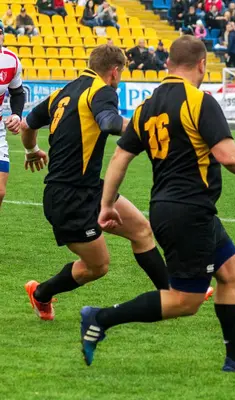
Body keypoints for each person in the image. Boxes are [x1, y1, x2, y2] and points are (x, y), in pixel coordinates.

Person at [78, 36, 235, 373]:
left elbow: (120, 157)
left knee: (232, 271)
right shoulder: (200, 101)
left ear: (168, 64)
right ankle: (100, 317)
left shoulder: (146, 106)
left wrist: (106, 204)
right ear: (202, 64)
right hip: (188, 211)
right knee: (186, 301)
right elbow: (227, 156)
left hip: (177, 208)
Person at [20, 45, 170, 322]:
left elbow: (28, 125)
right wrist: (145, 126)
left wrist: (31, 151)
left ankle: (171, 295)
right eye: (121, 73)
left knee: (141, 230)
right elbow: (110, 123)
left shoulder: (61, 93)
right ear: (114, 71)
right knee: (97, 267)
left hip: (89, 188)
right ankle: (41, 293)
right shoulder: (101, 90)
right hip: (69, 198)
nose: (120, 78)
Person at [0, 26, 26, 208]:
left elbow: (17, 92)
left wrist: (16, 114)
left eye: (0, 31)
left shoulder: (11, 60)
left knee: (0, 191)